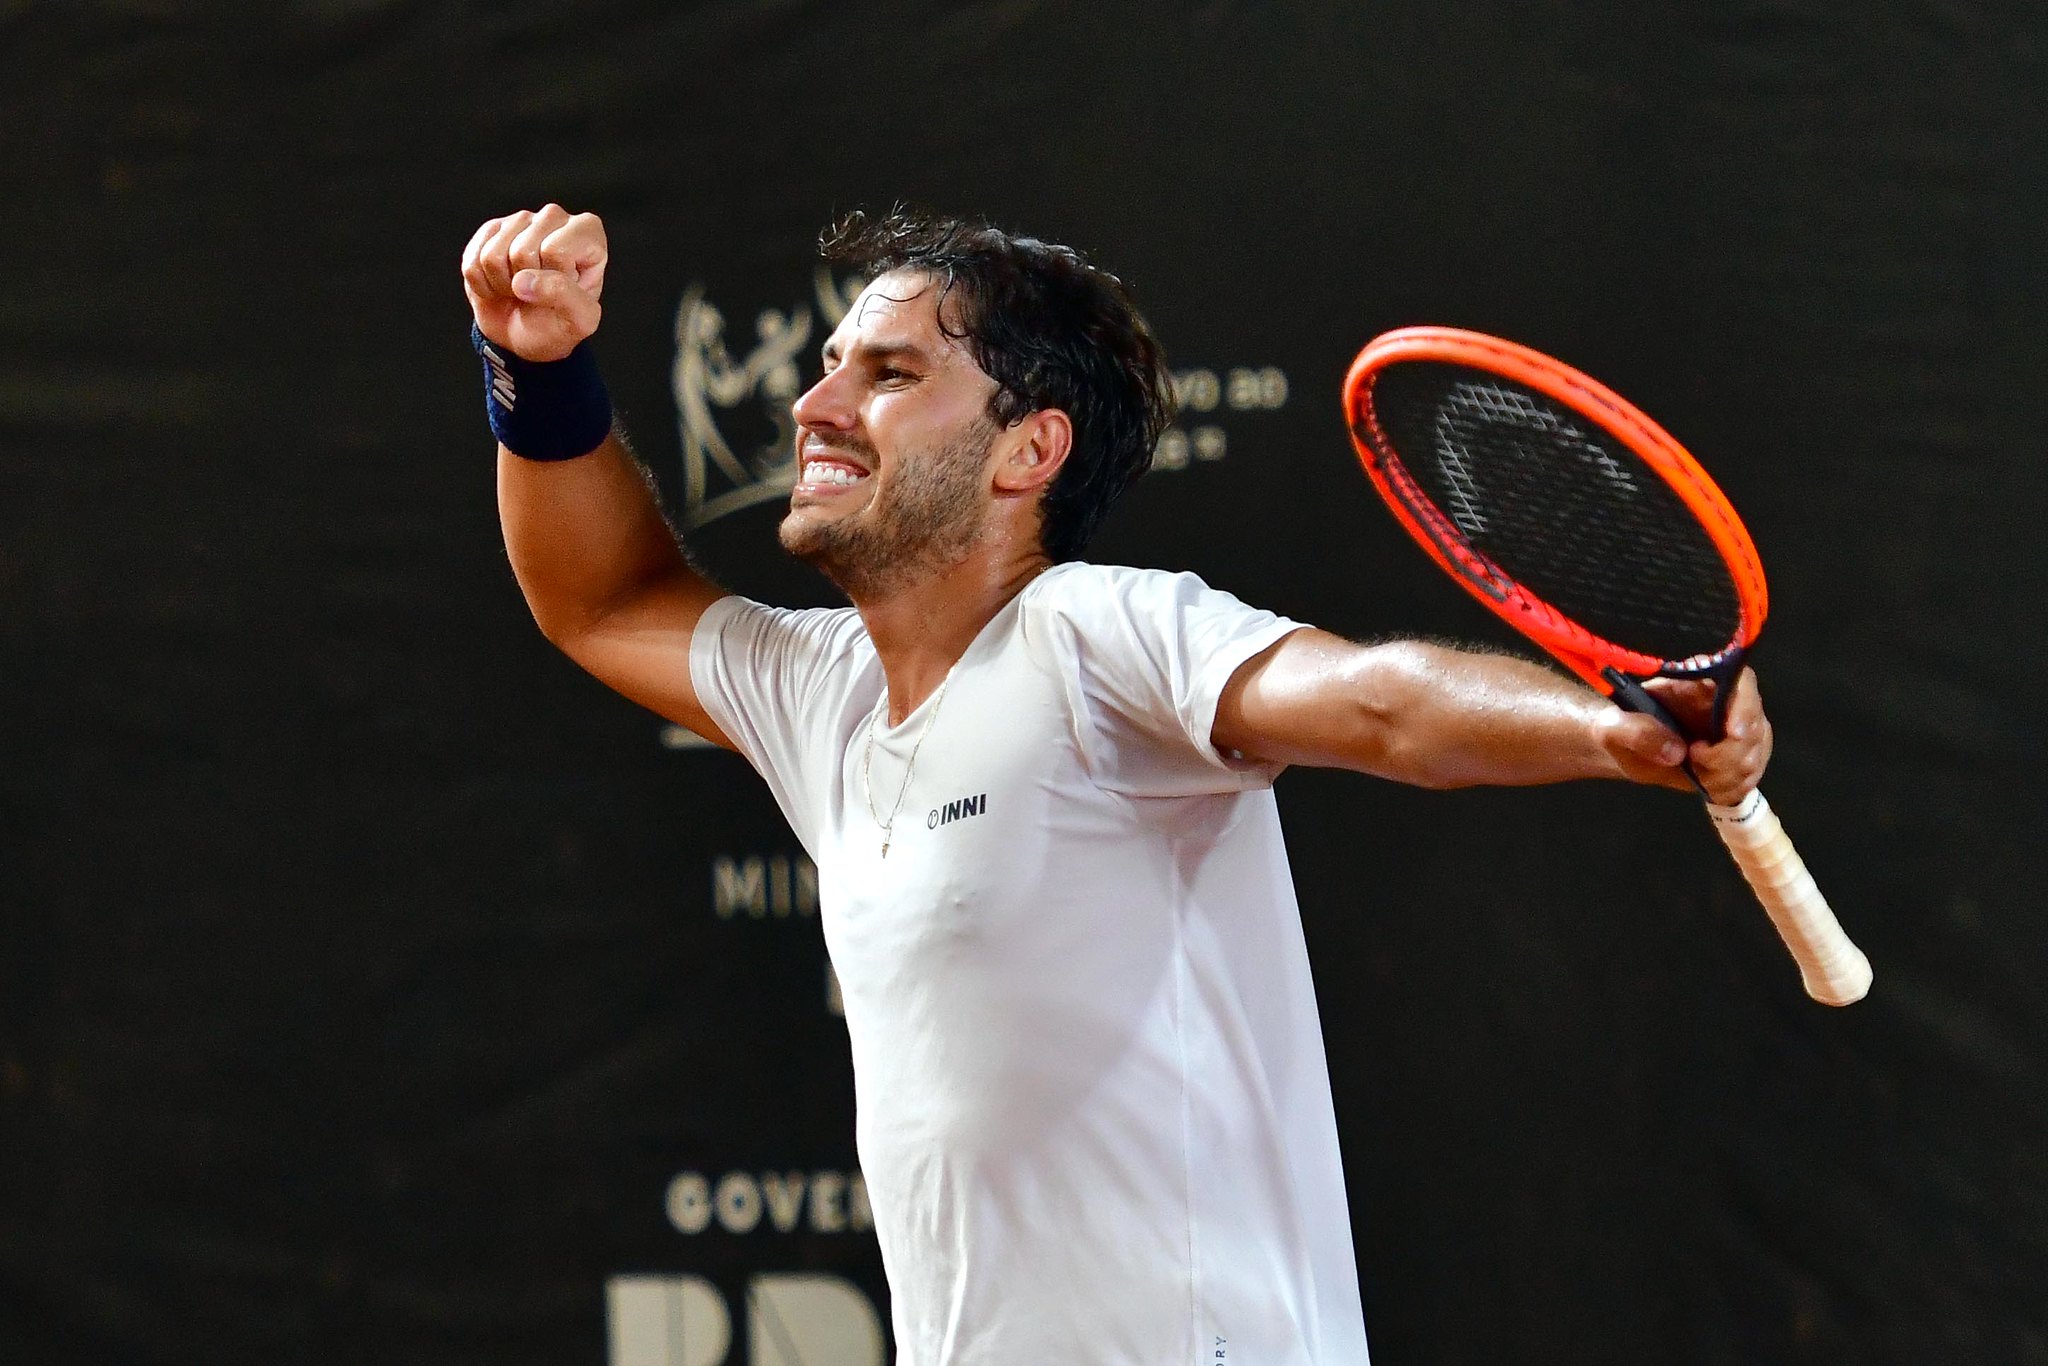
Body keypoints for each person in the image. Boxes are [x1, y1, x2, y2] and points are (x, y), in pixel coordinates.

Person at [461, 203, 1772, 1365]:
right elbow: (601, 596)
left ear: (1028, 450)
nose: (815, 406)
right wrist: (538, 369)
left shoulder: (1095, 635)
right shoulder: (820, 695)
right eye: (829, 369)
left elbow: (1381, 704)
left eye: (890, 372)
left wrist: (1611, 730)